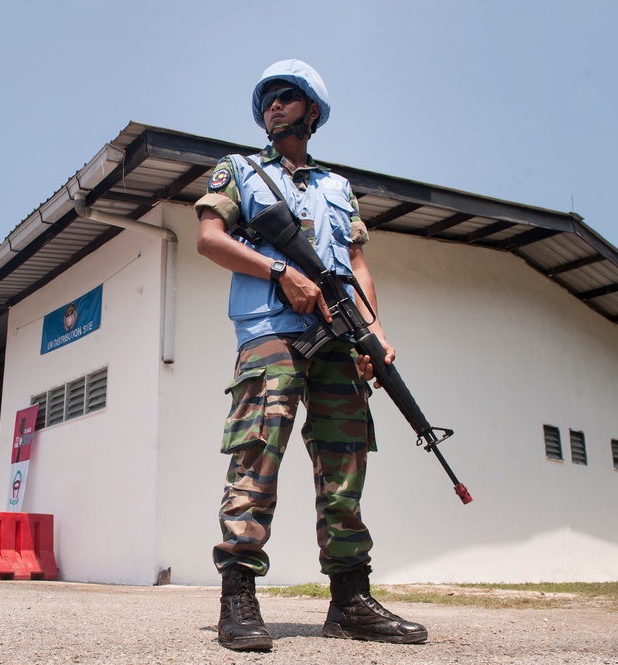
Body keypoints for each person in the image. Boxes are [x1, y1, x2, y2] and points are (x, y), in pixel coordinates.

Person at [195, 59, 428, 652]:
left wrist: (374, 333)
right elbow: (209, 238)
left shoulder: (335, 187)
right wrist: (280, 272)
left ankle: (350, 599)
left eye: (285, 96)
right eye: (266, 98)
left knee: (345, 461)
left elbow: (357, 265)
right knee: (257, 455)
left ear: (312, 111)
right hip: (271, 333)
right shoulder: (239, 171)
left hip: (338, 338)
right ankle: (238, 597)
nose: (272, 105)